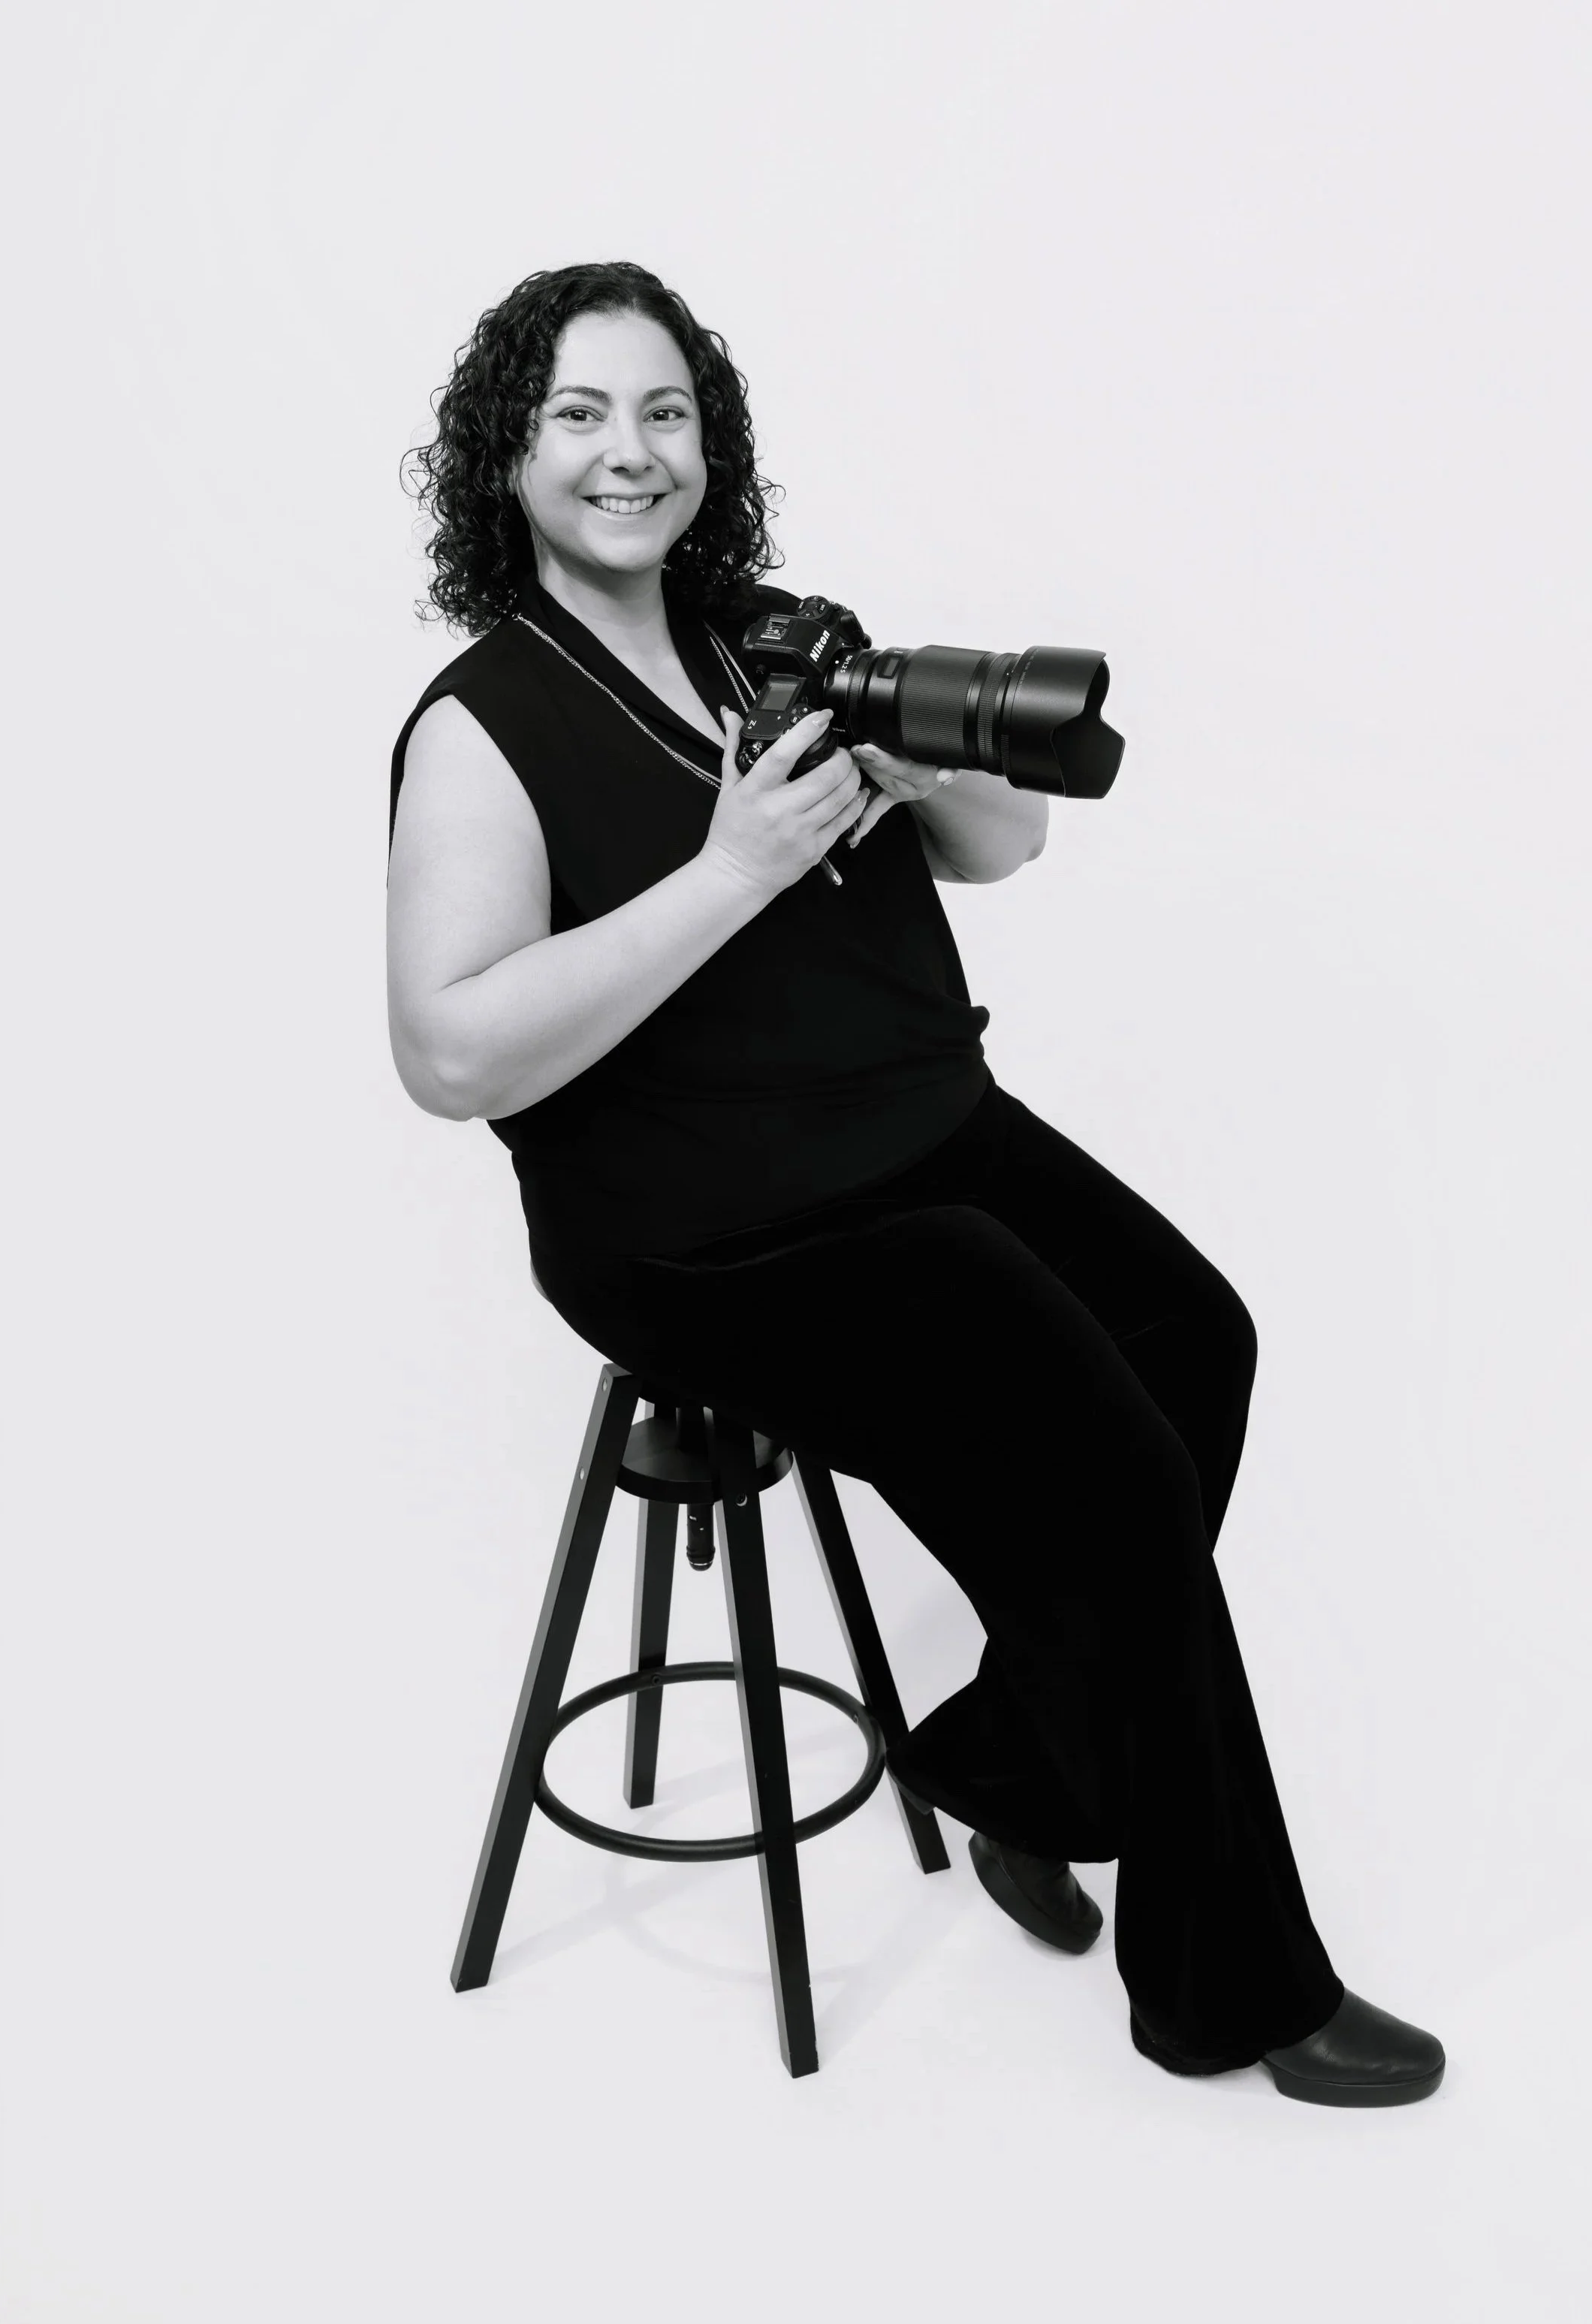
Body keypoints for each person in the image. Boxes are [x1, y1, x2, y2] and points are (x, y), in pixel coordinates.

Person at [386, 259, 1445, 2105]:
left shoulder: (778, 634)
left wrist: (909, 750)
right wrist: (730, 867)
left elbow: (1002, 849)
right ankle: (1231, 1984)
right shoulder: (484, 724)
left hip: (913, 1121)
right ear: (507, 455)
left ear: (709, 445)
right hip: (701, 1224)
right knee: (1104, 1466)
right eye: (578, 414)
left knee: (1193, 1339)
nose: (627, 454)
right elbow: (452, 1052)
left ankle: (1028, 1771)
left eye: (664, 414)